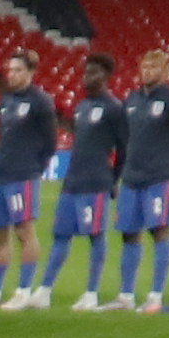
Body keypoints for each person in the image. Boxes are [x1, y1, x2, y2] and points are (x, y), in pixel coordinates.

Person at [113, 46, 169, 310]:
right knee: (128, 234)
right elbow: (123, 139)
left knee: (159, 230)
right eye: (145, 67)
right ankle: (126, 295)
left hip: (158, 177)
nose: (148, 72)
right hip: (131, 178)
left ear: (166, 72)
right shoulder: (132, 100)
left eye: (154, 67)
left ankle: (155, 294)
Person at [44, 52, 121, 309]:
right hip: (72, 181)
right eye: (86, 72)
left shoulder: (113, 108)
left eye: (93, 73)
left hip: (95, 181)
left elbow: (124, 147)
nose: (87, 77)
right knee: (60, 235)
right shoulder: (81, 107)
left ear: (106, 77)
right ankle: (44, 290)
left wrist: (114, 178)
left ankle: (91, 293)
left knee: (96, 235)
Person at [0, 50, 57, 306]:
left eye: (17, 70)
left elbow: (50, 141)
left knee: (24, 230)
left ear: (29, 73)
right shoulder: (5, 101)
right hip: (1, 174)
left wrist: (34, 167)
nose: (12, 75)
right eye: (10, 70)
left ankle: (24, 291)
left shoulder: (40, 101)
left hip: (23, 174)